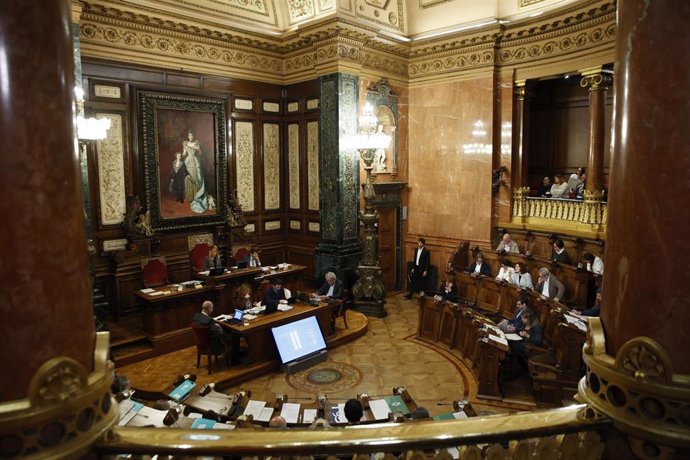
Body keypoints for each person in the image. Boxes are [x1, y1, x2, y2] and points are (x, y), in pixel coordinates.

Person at [504, 309, 543, 379]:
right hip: (523, 342)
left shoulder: (537, 326)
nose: (521, 320)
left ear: (528, 319)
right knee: (509, 343)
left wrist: (527, 335)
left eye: (523, 318)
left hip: (530, 347)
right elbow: (521, 329)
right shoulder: (526, 323)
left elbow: (538, 341)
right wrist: (514, 329)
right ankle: (511, 368)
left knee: (513, 348)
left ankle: (513, 372)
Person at [182, 130, 208, 213]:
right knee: (189, 178)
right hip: (188, 161)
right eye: (189, 136)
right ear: (188, 136)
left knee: (196, 178)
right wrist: (178, 158)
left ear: (193, 136)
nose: (191, 137)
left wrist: (197, 148)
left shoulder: (196, 143)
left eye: (192, 136)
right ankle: (190, 196)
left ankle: (196, 196)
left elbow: (200, 153)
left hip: (195, 161)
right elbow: (184, 153)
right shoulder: (185, 143)